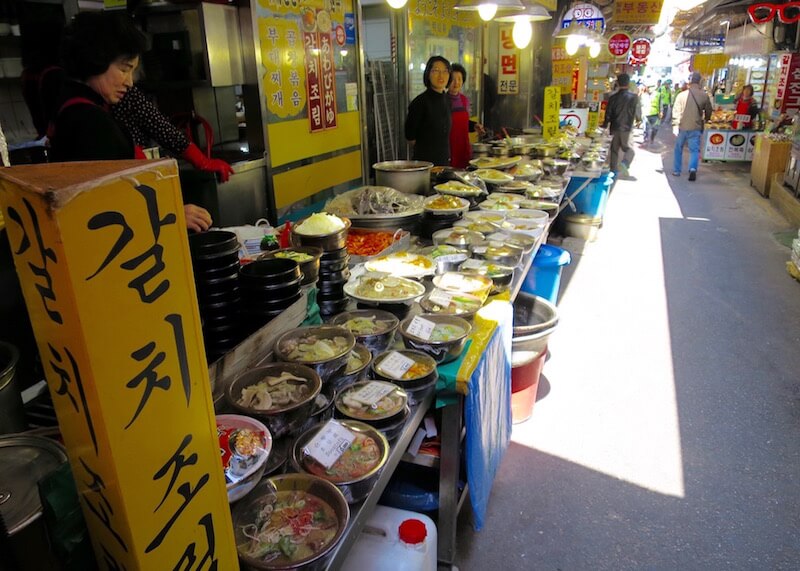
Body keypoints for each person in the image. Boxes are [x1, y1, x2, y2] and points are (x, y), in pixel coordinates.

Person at [51, 11, 212, 232]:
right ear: (95, 59)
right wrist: (170, 215)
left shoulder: (71, 104)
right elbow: (103, 208)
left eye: (132, 71)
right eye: (124, 69)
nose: (129, 82)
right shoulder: (88, 120)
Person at [405, 55, 451, 166]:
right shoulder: (420, 102)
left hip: (444, 161)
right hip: (424, 164)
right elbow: (410, 136)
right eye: (436, 71)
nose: (441, 75)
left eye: (445, 71)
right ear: (428, 74)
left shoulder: (447, 99)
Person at [672, 71, 713, 182]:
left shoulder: (681, 95)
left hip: (682, 126)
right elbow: (709, 110)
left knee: (678, 149)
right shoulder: (704, 95)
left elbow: (676, 111)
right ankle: (693, 168)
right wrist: (707, 119)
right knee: (694, 150)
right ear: (700, 81)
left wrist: (675, 124)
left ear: (690, 81)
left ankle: (677, 170)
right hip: (696, 126)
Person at [601, 73, 640, 178]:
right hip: (627, 128)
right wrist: (639, 120)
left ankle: (613, 172)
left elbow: (608, 113)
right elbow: (637, 111)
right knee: (629, 149)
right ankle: (624, 163)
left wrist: (605, 125)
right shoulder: (634, 97)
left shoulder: (613, 97)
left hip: (614, 127)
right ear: (628, 83)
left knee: (614, 150)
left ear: (617, 83)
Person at [447, 63, 484, 169]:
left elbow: (464, 123)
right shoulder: (443, 101)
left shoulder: (465, 100)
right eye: (453, 79)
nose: (456, 83)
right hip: (449, 149)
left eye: (459, 79)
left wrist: (474, 126)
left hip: (464, 148)